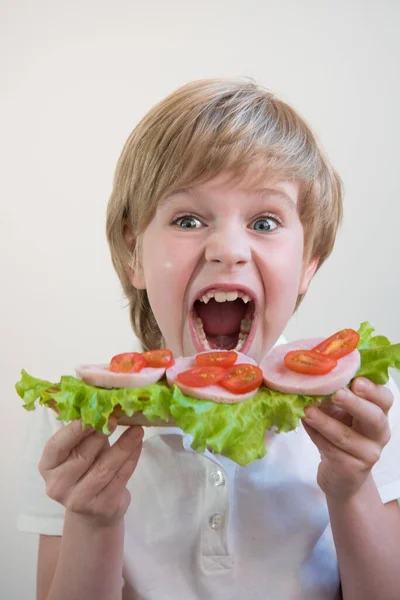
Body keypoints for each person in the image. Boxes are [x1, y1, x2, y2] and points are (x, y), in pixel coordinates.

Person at [17, 79, 400, 600]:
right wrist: (95, 520)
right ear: (134, 252)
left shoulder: (363, 413)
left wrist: (350, 488)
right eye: (188, 219)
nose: (228, 248)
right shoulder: (78, 426)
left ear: (308, 262)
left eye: (265, 221)